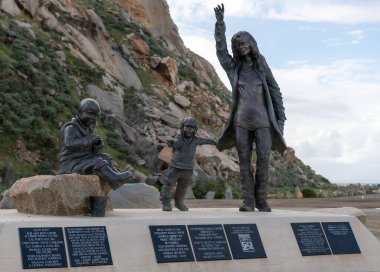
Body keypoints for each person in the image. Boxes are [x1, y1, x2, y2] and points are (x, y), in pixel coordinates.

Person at [214, 4, 287, 212]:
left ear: (251, 44)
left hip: (264, 121)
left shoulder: (261, 65)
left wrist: (281, 119)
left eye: (244, 42)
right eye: (237, 44)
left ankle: (261, 199)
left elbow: (275, 91)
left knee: (263, 160)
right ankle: (248, 200)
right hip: (241, 122)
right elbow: (220, 52)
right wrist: (220, 25)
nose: (241, 46)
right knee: (244, 163)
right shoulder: (233, 68)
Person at [58, 98, 133, 189]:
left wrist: (96, 146)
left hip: (82, 159)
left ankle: (115, 176)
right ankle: (114, 178)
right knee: (97, 162)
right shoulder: (71, 128)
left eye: (95, 115)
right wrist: (89, 140)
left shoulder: (88, 129)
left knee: (104, 157)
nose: (92, 117)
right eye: (90, 113)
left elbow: (88, 149)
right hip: (70, 164)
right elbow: (69, 144)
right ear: (80, 112)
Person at [160, 117, 217, 211]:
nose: (189, 129)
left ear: (196, 129)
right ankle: (166, 202)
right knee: (168, 185)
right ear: (182, 127)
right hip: (175, 167)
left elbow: (207, 140)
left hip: (188, 169)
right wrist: (172, 143)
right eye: (187, 126)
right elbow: (176, 143)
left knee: (183, 188)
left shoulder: (196, 140)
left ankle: (179, 203)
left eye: (192, 127)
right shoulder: (180, 139)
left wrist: (215, 142)